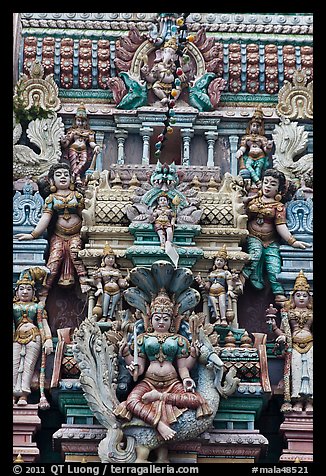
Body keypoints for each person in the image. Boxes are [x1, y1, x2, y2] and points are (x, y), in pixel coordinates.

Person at [114, 289, 212, 444]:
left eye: (165, 319)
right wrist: (127, 356)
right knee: (131, 401)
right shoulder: (142, 339)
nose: (161, 322)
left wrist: (190, 365)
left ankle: (160, 397)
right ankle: (159, 424)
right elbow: (138, 369)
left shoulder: (179, 340)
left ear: (172, 321)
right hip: (149, 381)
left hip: (172, 381)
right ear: (150, 319)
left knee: (195, 400)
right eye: (157, 318)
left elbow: (183, 367)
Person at [14, 163, 90, 302]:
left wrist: (88, 231)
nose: (63, 177)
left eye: (66, 175)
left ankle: (84, 281)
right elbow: (46, 218)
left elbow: (84, 214)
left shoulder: (77, 196)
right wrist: (33, 234)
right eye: (58, 175)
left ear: (71, 179)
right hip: (58, 235)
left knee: (75, 252)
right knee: (53, 261)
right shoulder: (51, 198)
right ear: (51, 180)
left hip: (76, 234)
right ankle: (43, 293)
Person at [242, 168, 311, 303]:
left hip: (271, 240)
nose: (268, 186)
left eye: (273, 184)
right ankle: (240, 280)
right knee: (255, 255)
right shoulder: (253, 201)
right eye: (266, 182)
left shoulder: (278, 206)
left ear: (279, 189)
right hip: (253, 236)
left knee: (274, 266)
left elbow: (281, 226)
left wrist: (292, 241)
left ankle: (278, 293)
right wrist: (245, 202)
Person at [268, 270, 313, 413]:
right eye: (298, 295)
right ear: (292, 298)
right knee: (296, 373)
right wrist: (275, 328)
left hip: (310, 344)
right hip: (293, 346)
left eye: (305, 295)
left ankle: (310, 401)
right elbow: (284, 332)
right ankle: (297, 401)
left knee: (310, 373)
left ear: (309, 298)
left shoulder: (312, 313)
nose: (301, 298)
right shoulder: (287, 314)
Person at [13, 268, 53, 408]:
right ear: (16, 292)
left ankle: (24, 394)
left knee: (28, 366)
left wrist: (48, 339)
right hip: (16, 337)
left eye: (28, 289)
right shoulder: (14, 307)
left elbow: (44, 324)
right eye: (22, 289)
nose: (25, 292)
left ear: (33, 292)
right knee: (15, 365)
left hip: (34, 337)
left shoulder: (38, 307)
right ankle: (13, 394)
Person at [195, 245, 238, 326]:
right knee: (214, 306)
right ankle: (217, 319)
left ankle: (223, 319)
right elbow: (207, 286)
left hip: (221, 291)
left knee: (222, 304)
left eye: (221, 261)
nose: (219, 262)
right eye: (217, 260)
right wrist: (201, 282)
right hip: (211, 293)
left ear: (225, 263)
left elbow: (229, 282)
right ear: (214, 261)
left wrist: (229, 290)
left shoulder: (226, 272)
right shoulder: (211, 273)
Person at [60, 102, 100, 184]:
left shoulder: (89, 133)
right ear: (75, 121)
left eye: (83, 121)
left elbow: (91, 143)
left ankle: (73, 175)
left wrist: (95, 146)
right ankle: (77, 177)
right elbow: (66, 144)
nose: (81, 123)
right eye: (78, 121)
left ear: (86, 122)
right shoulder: (72, 131)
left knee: (83, 162)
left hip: (83, 150)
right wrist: (63, 141)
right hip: (73, 149)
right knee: (74, 163)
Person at [141, 37, 188, 105]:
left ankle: (172, 100)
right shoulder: (158, 66)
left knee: (178, 88)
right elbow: (152, 79)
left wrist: (182, 67)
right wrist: (146, 73)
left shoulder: (175, 67)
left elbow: (183, 77)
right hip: (161, 85)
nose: (169, 56)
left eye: (172, 54)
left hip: (173, 86)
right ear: (162, 53)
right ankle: (164, 97)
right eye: (167, 52)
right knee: (155, 87)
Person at [236, 106, 273, 188]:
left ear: (260, 128)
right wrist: (240, 151)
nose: (255, 128)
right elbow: (243, 147)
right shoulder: (246, 138)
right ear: (250, 126)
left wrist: (269, 147)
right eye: (253, 125)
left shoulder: (262, 138)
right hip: (250, 157)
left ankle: (255, 184)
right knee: (248, 166)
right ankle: (257, 181)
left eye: (257, 126)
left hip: (260, 157)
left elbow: (265, 150)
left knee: (258, 169)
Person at [92, 242, 129, 322]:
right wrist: (99, 287)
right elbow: (98, 280)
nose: (111, 260)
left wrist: (124, 282)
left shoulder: (117, 271)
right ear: (104, 260)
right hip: (106, 290)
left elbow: (120, 281)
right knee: (105, 304)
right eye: (108, 258)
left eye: (112, 258)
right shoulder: (101, 270)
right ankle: (104, 316)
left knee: (114, 305)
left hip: (116, 291)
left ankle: (110, 317)